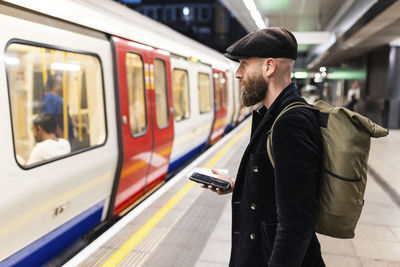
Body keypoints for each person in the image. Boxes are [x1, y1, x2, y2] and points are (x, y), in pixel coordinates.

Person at [201, 27, 325, 266]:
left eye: (244, 64)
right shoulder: (272, 114)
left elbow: (296, 224)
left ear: (269, 67)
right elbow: (281, 187)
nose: (238, 74)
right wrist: (238, 187)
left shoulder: (291, 122)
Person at [42, 74, 75, 147]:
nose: (63, 85)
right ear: (55, 85)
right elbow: (50, 119)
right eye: (61, 83)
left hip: (68, 135)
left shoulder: (58, 98)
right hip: (61, 138)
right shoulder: (50, 98)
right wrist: (61, 137)